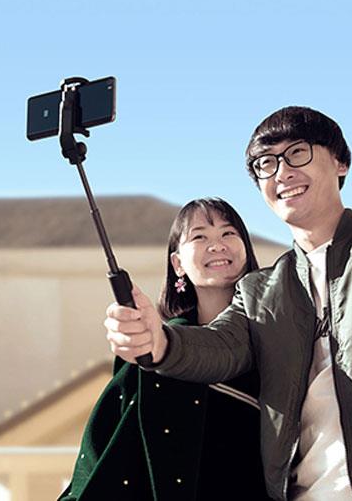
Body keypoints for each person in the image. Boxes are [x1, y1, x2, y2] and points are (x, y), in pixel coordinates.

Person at [105, 107, 352, 501]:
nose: (282, 172)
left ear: (340, 162)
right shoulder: (262, 289)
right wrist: (159, 342)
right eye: (266, 163)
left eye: (297, 152)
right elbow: (219, 346)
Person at [60, 198, 271, 501]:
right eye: (200, 236)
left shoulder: (277, 336)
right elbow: (108, 454)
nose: (217, 245)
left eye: (228, 233)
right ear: (178, 264)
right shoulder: (153, 354)